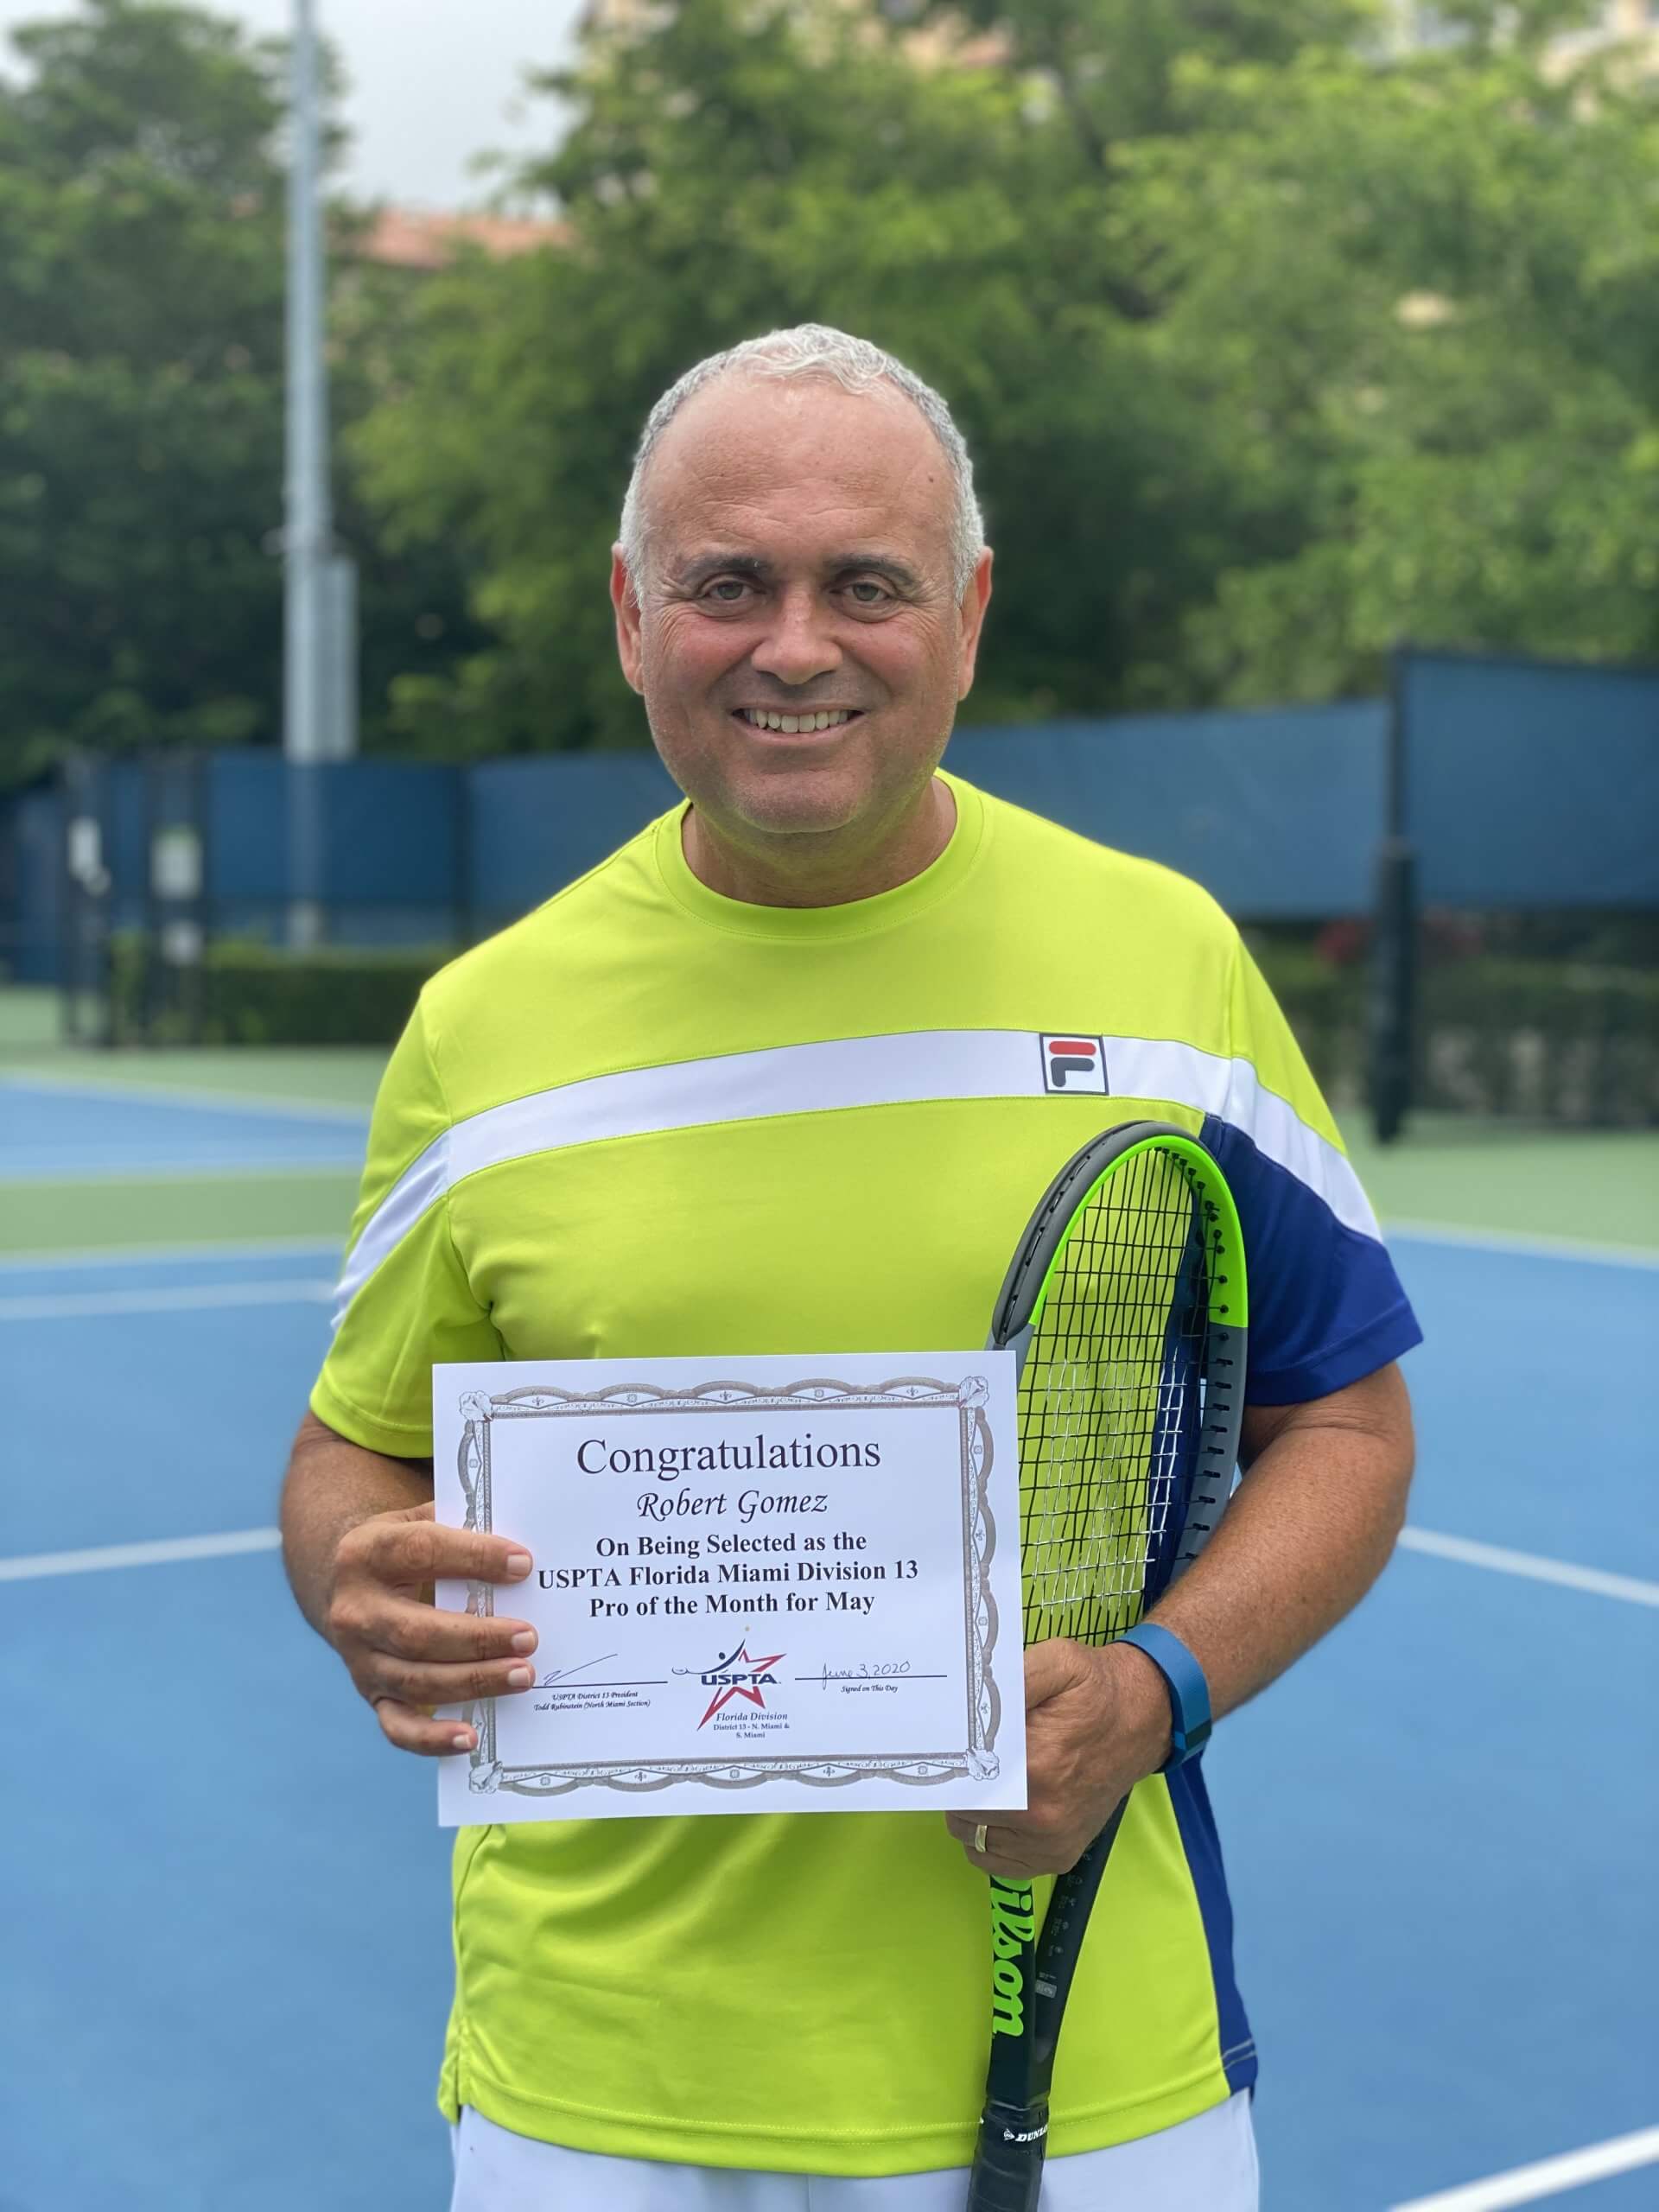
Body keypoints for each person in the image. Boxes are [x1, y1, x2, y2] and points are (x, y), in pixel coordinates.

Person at [281, 323, 1420, 2211]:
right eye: (729, 583)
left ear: (966, 616)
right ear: (631, 615)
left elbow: (1352, 1426)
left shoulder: (1169, 965)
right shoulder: (481, 1029)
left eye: (866, 585)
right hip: (593, 2094)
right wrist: (358, 1575)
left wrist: (1157, 1686)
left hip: (1094, 2073)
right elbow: (355, 1447)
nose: (796, 645)